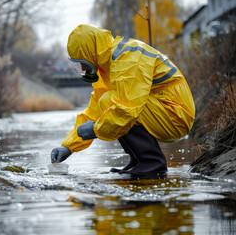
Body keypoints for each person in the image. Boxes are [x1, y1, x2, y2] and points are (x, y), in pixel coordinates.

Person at [50, 24, 195, 176]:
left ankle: (152, 163)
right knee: (108, 103)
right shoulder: (107, 67)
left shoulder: (128, 58)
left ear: (90, 54)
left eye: (82, 63)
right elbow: (94, 112)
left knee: (115, 105)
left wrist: (95, 130)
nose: (83, 69)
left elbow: (126, 109)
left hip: (176, 115)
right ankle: (138, 160)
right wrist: (68, 147)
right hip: (164, 111)